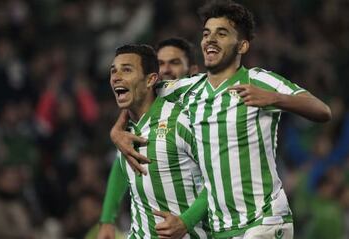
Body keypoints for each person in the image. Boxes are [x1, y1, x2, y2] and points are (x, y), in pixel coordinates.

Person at [111, 1, 332, 238]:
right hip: (221, 229)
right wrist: (116, 132)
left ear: (242, 45)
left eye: (222, 33)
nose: (210, 39)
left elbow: (321, 110)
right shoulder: (188, 88)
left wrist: (273, 98)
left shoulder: (258, 80)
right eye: (206, 34)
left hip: (263, 221)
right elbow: (140, 91)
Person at [97, 44, 209, 239]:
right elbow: (119, 169)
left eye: (127, 69)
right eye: (113, 70)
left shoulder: (181, 121)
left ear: (150, 80)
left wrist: (186, 221)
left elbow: (220, 181)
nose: (116, 77)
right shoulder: (126, 131)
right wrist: (107, 220)